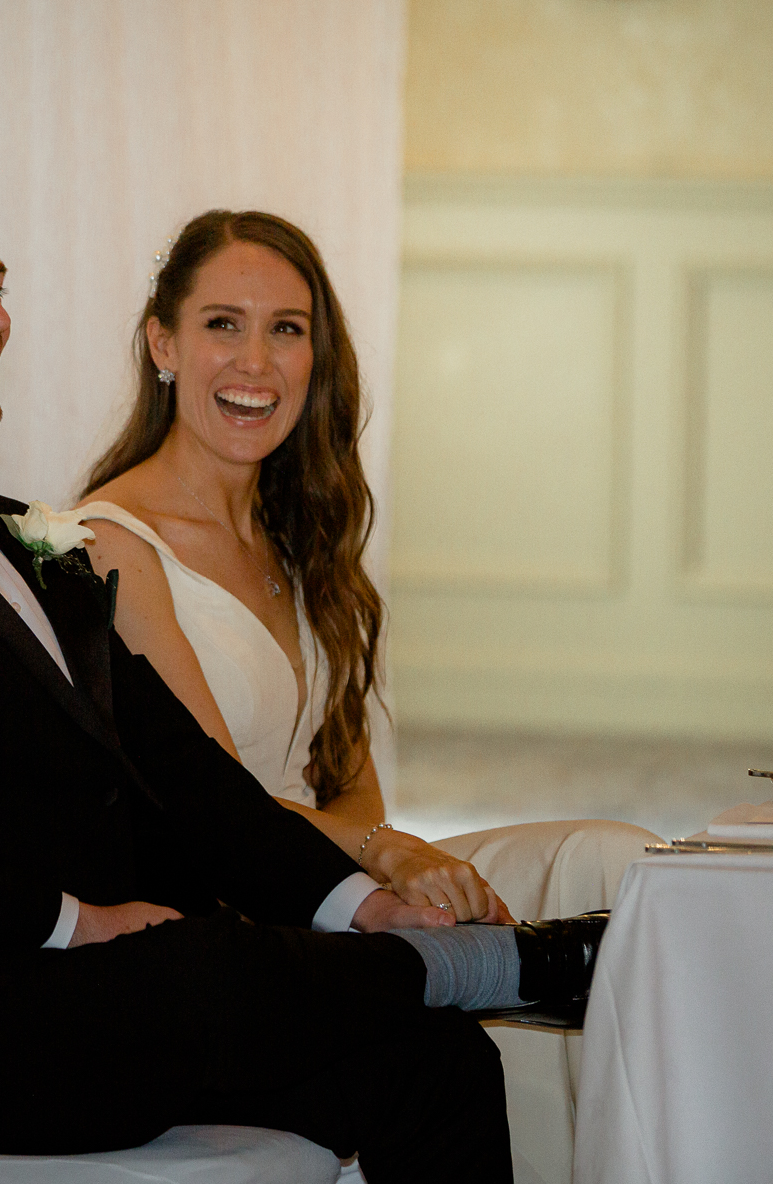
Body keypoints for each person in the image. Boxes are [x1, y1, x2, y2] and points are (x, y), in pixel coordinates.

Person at [0, 165, 608, 1184]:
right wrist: (79, 919)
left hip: (109, 1001)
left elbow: (183, 769)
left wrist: (358, 903)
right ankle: (516, 968)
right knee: (196, 961)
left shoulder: (13, 532)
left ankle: (456, 975)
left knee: (434, 1064)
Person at [74, 210, 656, 925]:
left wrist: (385, 853)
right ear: (164, 342)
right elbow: (214, 804)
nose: (254, 361)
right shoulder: (114, 542)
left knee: (616, 863)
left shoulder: (296, 536)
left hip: (343, 866)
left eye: (286, 329)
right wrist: (384, 858)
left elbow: (354, 788)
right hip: (233, 901)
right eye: (223, 323)